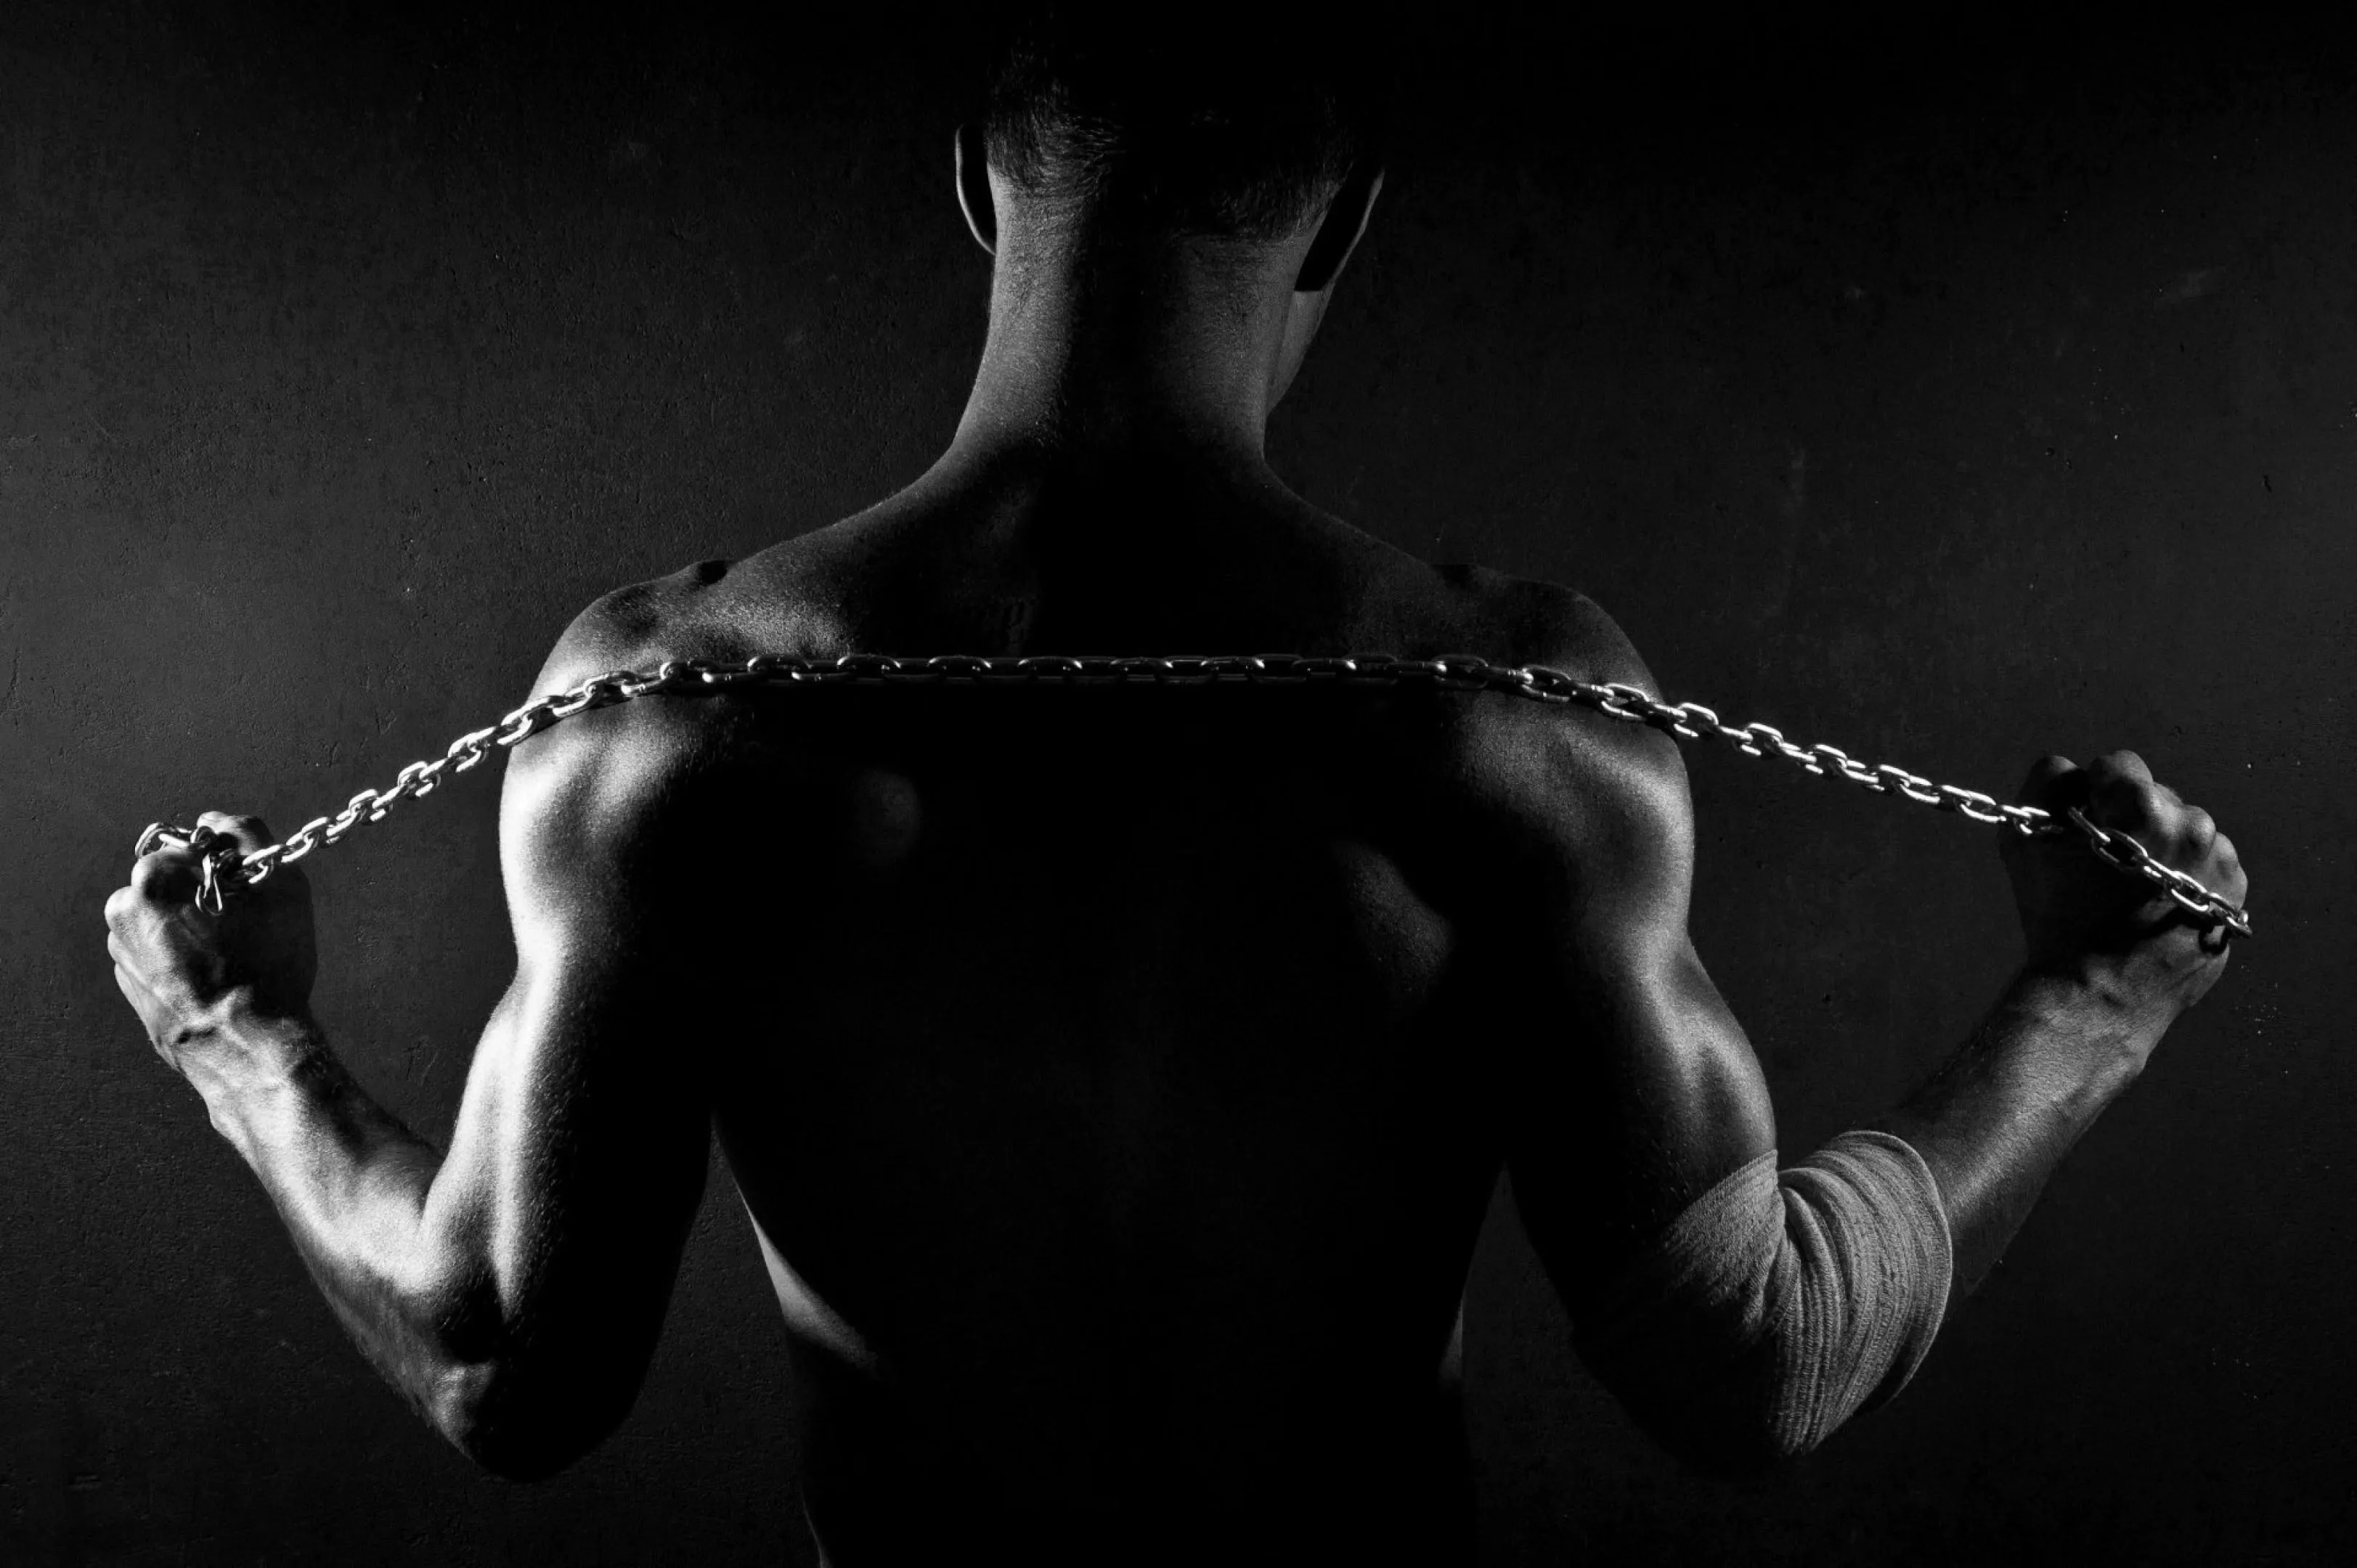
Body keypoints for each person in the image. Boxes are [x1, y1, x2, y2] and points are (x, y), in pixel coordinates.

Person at [105, 17, 2247, 1566]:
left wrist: (239, 1037)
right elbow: (1750, 1359)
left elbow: (504, 1366)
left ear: (970, 174)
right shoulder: (1505, 717)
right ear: (1347, 219)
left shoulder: (671, 722)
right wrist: (2089, 1010)